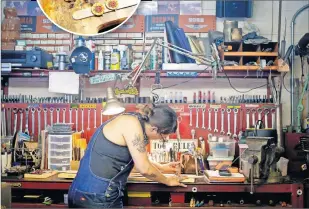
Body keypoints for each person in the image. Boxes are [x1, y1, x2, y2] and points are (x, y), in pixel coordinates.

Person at [68, 104, 187, 208]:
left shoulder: (131, 120)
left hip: (83, 193)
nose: (163, 139)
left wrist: (161, 168)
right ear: (155, 129)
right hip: (97, 198)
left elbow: (127, 162)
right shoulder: (132, 126)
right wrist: (167, 180)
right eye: (163, 137)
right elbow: (144, 169)